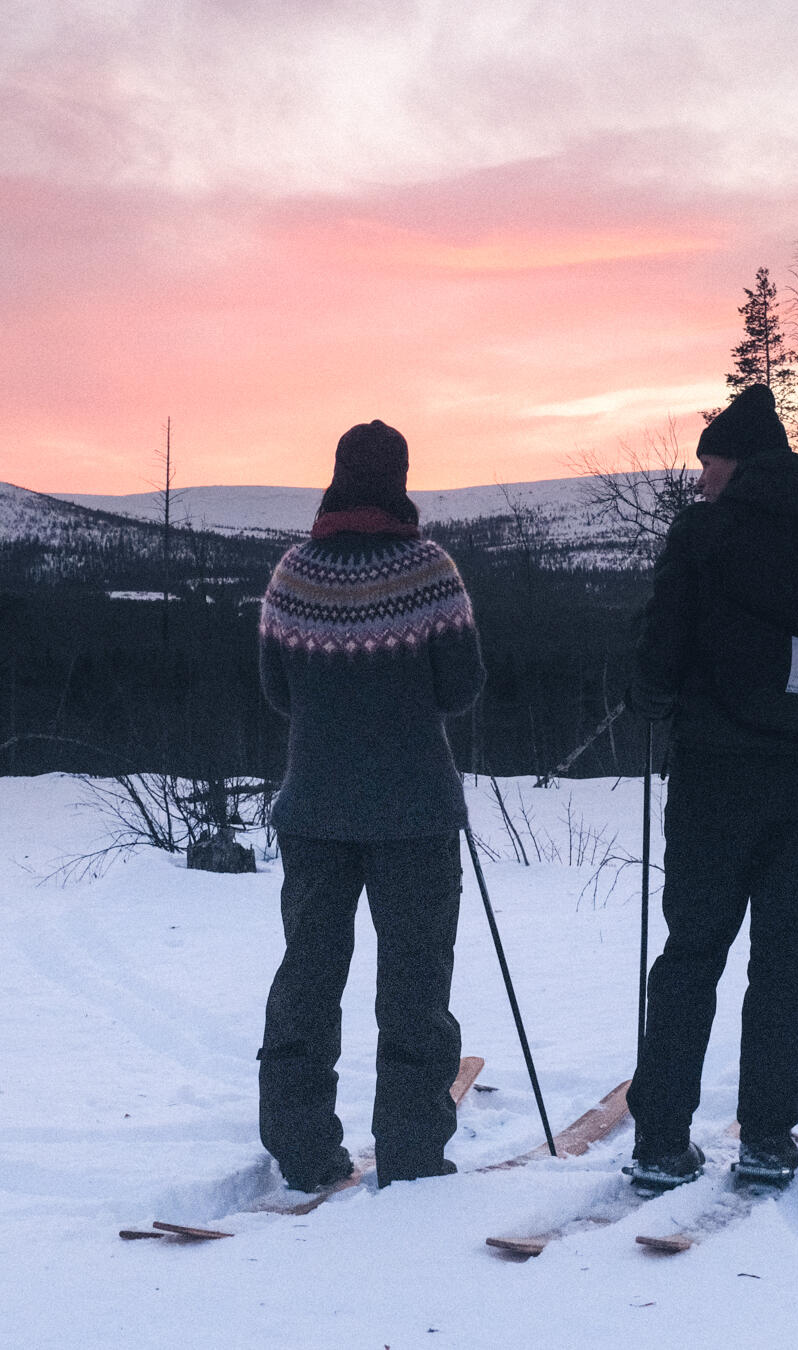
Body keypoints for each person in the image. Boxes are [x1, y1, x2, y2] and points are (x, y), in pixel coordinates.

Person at [625, 384, 798, 1188]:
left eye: (710, 464)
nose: (701, 480)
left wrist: (649, 698)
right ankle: (768, 1135)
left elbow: (660, 651)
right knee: (789, 956)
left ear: (737, 463)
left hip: (713, 776)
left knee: (692, 951)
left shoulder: (702, 536)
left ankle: (662, 1139)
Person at [257, 419, 485, 1191]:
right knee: (416, 985)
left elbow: (276, 693)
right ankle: (413, 1152)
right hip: (415, 812)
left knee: (308, 980)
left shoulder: (294, 572)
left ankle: (300, 1147)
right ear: (400, 480)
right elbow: (460, 689)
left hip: (315, 809)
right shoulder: (430, 571)